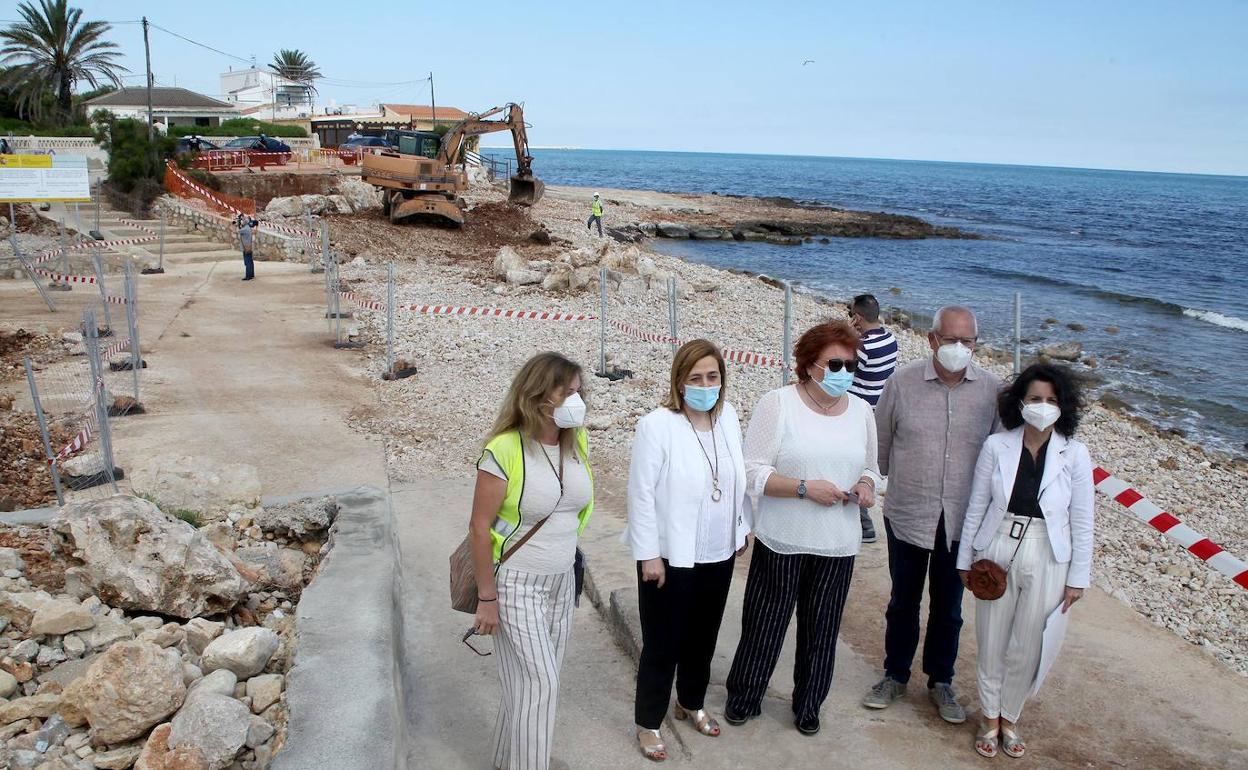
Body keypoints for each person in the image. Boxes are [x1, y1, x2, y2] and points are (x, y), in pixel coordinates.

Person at [723, 321, 880, 736]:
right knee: (764, 623)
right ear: (810, 364)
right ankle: (745, 696)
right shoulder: (778, 403)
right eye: (835, 363)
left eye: (851, 364)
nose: (844, 371)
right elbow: (752, 471)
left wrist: (866, 485)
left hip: (838, 544)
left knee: (822, 630)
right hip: (783, 538)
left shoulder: (862, 412)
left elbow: (871, 468)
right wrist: (805, 489)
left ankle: (809, 704)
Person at [863, 305, 1000, 724]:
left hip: (962, 523)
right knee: (902, 601)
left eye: (968, 341)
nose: (959, 348)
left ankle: (941, 680)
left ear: (976, 344)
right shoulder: (901, 384)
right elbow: (879, 447)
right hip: (907, 513)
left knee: (950, 608)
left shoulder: (992, 392)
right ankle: (895, 674)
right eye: (951, 339)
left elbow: (1000, 457)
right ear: (932, 339)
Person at [957, 363, 1093, 759]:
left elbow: (1083, 519)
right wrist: (966, 558)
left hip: (1049, 552)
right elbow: (976, 505)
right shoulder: (997, 446)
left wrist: (1078, 577)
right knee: (993, 639)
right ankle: (989, 715)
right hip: (997, 546)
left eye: (1051, 400)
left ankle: (1010, 715)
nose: (1043, 406)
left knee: (1029, 645)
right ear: (1020, 402)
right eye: (1036, 399)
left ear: (1063, 406)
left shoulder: (1075, 453)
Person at [467, 352, 594, 770]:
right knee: (541, 684)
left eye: (579, 392)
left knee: (527, 687)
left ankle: (506, 762)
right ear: (539, 395)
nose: (577, 401)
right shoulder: (503, 449)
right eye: (568, 392)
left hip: (562, 581)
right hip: (517, 582)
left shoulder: (577, 443)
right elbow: (480, 528)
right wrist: (487, 598)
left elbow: (575, 508)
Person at [625, 339, 750, 762]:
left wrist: (741, 527)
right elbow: (640, 495)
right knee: (663, 644)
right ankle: (648, 722)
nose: (705, 385)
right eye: (695, 378)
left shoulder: (728, 417)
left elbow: (736, 477)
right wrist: (648, 554)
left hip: (719, 552)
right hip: (671, 557)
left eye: (712, 377)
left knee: (703, 638)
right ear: (679, 382)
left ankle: (691, 702)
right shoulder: (657, 426)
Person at [847, 293, 899, 543]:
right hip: (879, 409)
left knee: (852, 465)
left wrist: (849, 336)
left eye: (851, 316)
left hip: (858, 410)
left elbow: (846, 373)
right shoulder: (890, 339)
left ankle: (864, 523)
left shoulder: (863, 346)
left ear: (857, 317)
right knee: (865, 463)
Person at [237, 215, 256, 281]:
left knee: (247, 262)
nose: (242, 221)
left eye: (243, 220)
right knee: (250, 261)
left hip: (246, 247)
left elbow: (236, 231)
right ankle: (251, 275)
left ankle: (248, 276)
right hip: (249, 246)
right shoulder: (248, 228)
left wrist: (235, 224)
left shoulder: (244, 229)